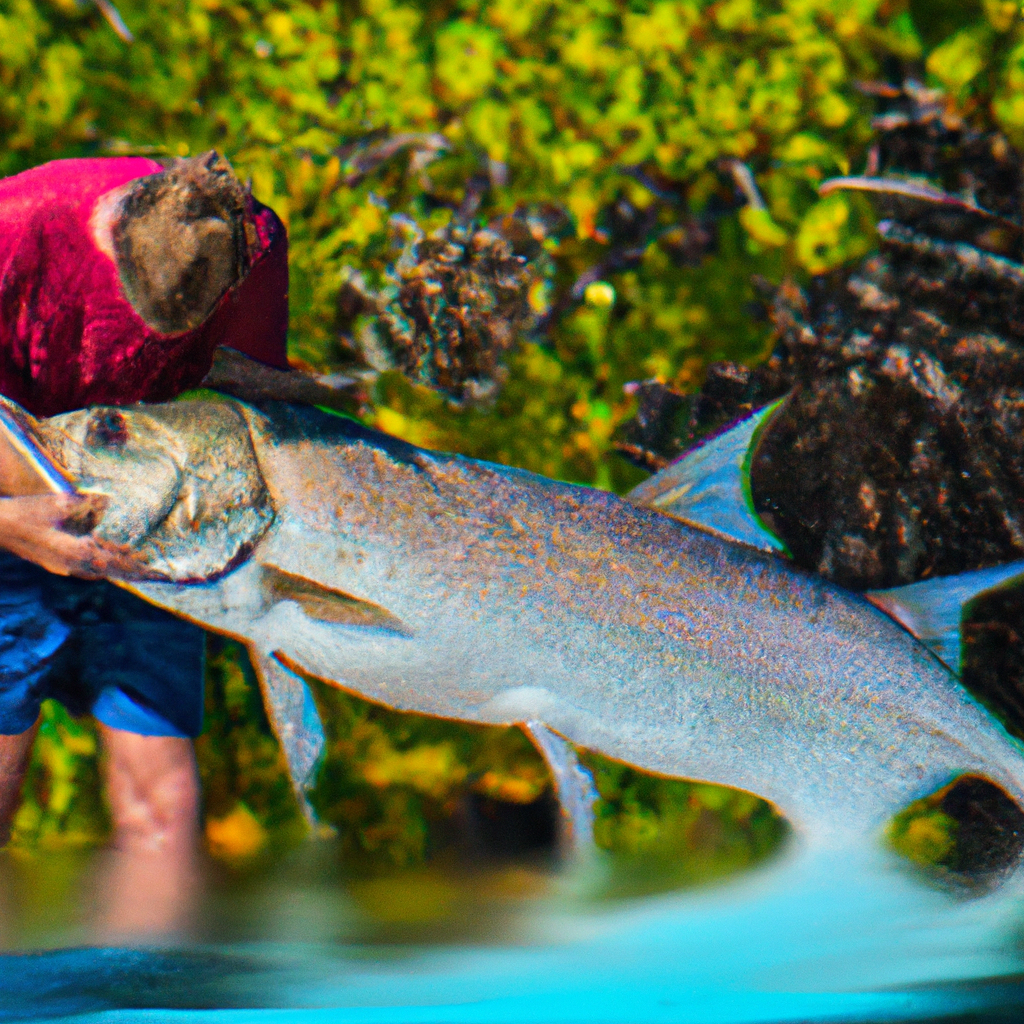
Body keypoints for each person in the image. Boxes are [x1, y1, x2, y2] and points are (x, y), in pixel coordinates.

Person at [0, 152, 289, 937]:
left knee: (161, 807)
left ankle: (147, 997)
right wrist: (10, 523)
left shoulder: (255, 244)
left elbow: (244, 405)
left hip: (153, 510)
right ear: (112, 231)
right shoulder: (18, 225)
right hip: (13, 494)